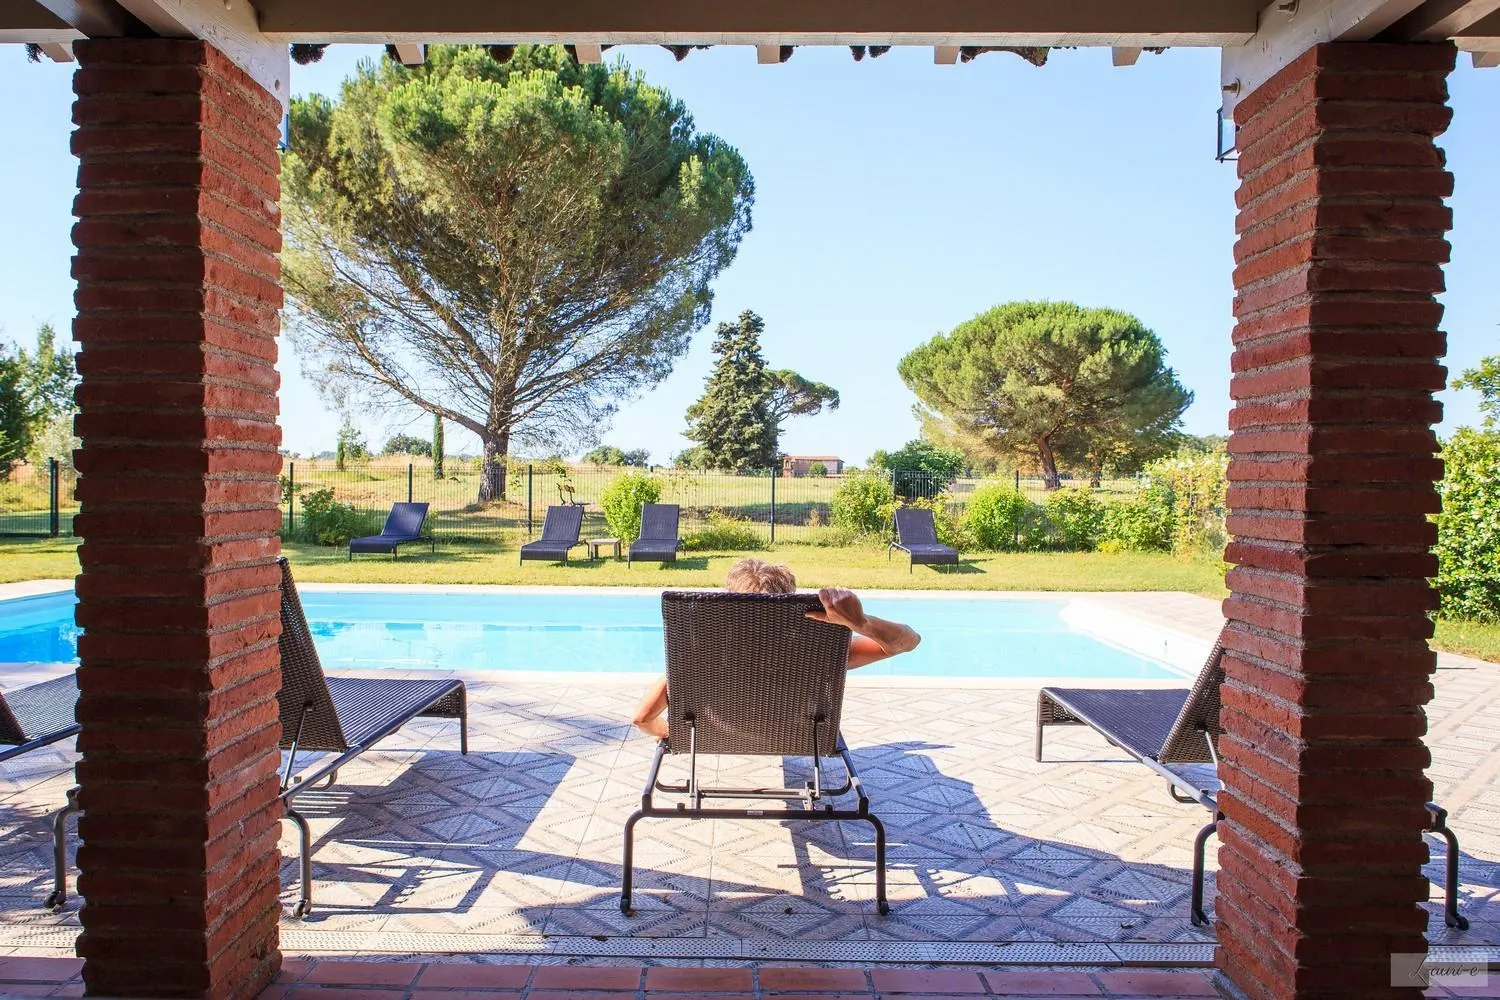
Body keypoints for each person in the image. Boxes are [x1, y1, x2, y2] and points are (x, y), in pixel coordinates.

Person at [630, 558, 922, 739]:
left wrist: (672, 734)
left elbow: (641, 718)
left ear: (728, 607)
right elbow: (909, 642)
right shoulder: (818, 651)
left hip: (715, 735)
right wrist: (861, 623)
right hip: (800, 735)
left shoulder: (701, 655)